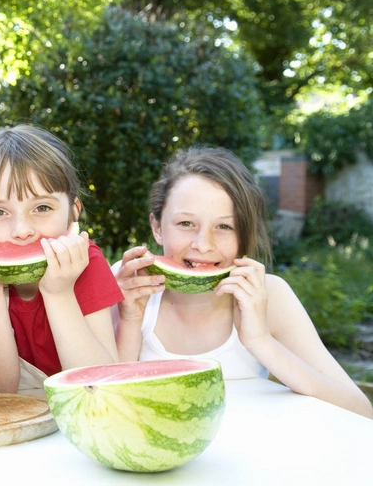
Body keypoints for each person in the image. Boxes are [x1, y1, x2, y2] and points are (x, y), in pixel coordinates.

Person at [112, 146, 373, 418]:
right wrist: (130, 321)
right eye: (186, 223)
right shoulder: (130, 282)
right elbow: (105, 405)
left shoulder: (270, 295)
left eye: (225, 227)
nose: (203, 245)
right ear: (157, 227)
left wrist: (261, 341)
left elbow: (361, 411)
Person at [0, 124, 122, 394]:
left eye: (42, 207)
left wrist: (59, 294)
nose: (22, 230)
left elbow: (98, 386)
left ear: (74, 210)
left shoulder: (86, 263)